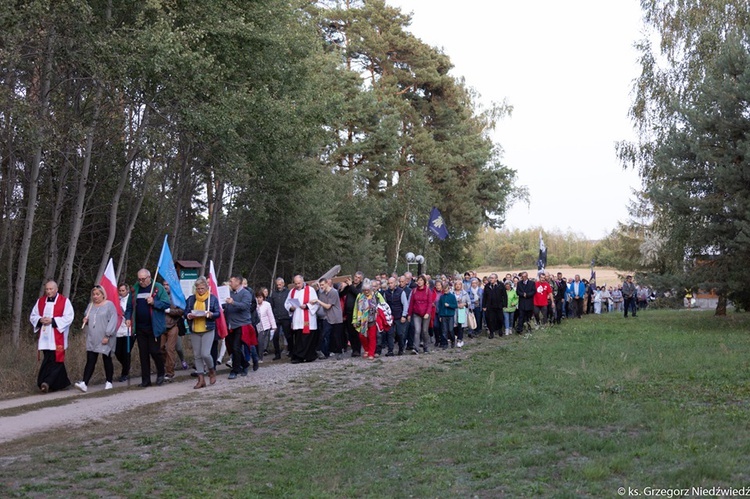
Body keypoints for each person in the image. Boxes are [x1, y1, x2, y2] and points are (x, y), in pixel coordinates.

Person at [125, 269, 170, 387]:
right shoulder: (135, 289)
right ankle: (146, 380)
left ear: (149, 277)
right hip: (140, 327)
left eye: (143, 279)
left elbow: (166, 303)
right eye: (139, 279)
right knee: (143, 354)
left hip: (153, 326)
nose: (141, 282)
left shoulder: (158, 288)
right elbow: (129, 306)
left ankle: (161, 373)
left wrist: (154, 302)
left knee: (155, 351)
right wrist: (128, 317)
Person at [30, 280, 74, 393]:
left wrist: (53, 321)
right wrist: (40, 319)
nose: (48, 291)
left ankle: (45, 382)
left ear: (56, 289)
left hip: (57, 335)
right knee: (49, 358)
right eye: (47, 289)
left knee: (57, 360)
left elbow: (69, 317)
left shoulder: (64, 301)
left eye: (51, 289)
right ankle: (63, 383)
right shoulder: (40, 301)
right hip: (45, 336)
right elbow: (33, 315)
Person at [75, 285, 118, 392]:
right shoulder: (90, 306)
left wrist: (107, 335)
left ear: (103, 295)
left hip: (105, 337)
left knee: (106, 359)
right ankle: (84, 383)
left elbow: (113, 319)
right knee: (90, 360)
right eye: (93, 294)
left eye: (98, 294)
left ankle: (109, 381)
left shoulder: (109, 305)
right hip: (92, 338)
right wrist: (86, 321)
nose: (95, 296)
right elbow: (89, 320)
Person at [185, 276, 220, 388]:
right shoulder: (191, 299)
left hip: (207, 328)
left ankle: (211, 370)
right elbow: (186, 311)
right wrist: (188, 315)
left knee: (205, 353)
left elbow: (218, 313)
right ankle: (201, 379)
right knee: (197, 355)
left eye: (202, 288)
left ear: (206, 288)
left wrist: (210, 314)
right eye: (198, 288)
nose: (200, 291)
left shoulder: (212, 298)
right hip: (195, 328)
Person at [223, 273, 256, 378]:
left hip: (242, 324)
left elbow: (245, 306)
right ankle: (245, 363)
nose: (230, 283)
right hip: (231, 325)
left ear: (238, 282)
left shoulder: (246, 293)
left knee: (237, 347)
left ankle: (235, 370)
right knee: (232, 347)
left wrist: (233, 303)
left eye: (231, 281)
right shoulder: (230, 293)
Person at [285, 274, 320, 363]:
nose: (297, 285)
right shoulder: (292, 291)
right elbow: (287, 303)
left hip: (307, 318)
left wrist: (307, 306)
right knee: (298, 338)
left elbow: (316, 302)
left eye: (299, 283)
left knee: (307, 338)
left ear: (303, 281)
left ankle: (307, 356)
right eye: (296, 283)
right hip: (297, 318)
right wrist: (291, 308)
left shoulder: (310, 290)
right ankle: (298, 355)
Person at [352, 279, 383, 359]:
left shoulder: (376, 295)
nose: (366, 292)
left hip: (373, 320)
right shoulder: (359, 296)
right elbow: (356, 308)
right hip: (362, 320)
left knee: (372, 337)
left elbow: (383, 305)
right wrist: (355, 320)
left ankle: (371, 353)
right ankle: (366, 350)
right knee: (362, 336)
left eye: (368, 290)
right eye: (364, 290)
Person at [161, 281, 185, 382]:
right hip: (161, 326)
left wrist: (170, 311)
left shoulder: (177, 297)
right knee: (160, 348)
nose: (165, 286)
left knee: (170, 348)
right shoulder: (159, 295)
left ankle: (170, 372)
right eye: (164, 285)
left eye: (167, 285)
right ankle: (165, 367)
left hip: (173, 325)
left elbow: (182, 310)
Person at [316, 278, 345, 359]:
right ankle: (322, 351)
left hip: (336, 317)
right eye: (320, 285)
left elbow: (328, 306)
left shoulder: (334, 292)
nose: (321, 287)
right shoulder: (322, 293)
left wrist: (317, 301)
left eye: (322, 285)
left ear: (327, 284)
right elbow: (320, 304)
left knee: (337, 336)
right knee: (324, 334)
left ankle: (339, 352)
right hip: (327, 317)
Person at [406, 275, 434, 354]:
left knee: (425, 331)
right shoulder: (414, 291)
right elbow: (411, 303)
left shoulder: (428, 291)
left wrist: (428, 313)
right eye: (418, 280)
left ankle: (426, 347)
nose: (419, 282)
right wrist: (409, 314)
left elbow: (429, 303)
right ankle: (416, 348)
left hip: (426, 314)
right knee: (417, 330)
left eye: (421, 280)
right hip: (416, 313)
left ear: (424, 281)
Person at [340, 271, 364, 357]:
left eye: (358, 277)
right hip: (348, 312)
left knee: (356, 332)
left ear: (361, 279)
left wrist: (350, 285)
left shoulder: (361, 286)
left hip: (357, 312)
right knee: (350, 332)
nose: (356, 278)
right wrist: (343, 287)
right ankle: (354, 349)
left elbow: (359, 294)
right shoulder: (350, 285)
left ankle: (357, 349)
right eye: (355, 276)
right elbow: (341, 294)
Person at [384, 276, 409, 356]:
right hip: (390, 317)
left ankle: (401, 349)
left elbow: (405, 304)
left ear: (395, 283)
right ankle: (390, 350)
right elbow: (384, 305)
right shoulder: (386, 293)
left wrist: (404, 315)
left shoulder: (401, 292)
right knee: (390, 333)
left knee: (400, 334)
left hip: (399, 316)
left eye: (391, 283)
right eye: (389, 283)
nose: (390, 285)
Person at [114, 283, 133, 382]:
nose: (121, 292)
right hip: (118, 329)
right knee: (117, 351)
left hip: (129, 329)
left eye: (123, 290)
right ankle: (127, 366)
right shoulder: (117, 300)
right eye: (120, 291)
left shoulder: (131, 300)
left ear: (127, 290)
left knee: (126, 352)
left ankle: (124, 373)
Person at [268, 277, 290, 360]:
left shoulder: (288, 292)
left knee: (288, 335)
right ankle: (277, 354)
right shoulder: (273, 293)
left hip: (286, 316)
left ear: (283, 284)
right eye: (277, 285)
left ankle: (291, 351)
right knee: (275, 336)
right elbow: (271, 305)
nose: (279, 286)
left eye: (280, 284)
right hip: (276, 318)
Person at [255, 289, 276, 363]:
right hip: (256, 326)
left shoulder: (267, 304)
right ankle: (256, 356)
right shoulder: (254, 305)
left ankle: (260, 358)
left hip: (264, 326)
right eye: (257, 297)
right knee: (256, 342)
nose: (258, 299)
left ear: (263, 298)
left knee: (261, 341)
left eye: (260, 297)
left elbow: (270, 315)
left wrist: (273, 326)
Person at [482, 273, 506, 339]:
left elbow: (504, 295)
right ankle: (491, 332)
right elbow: (484, 297)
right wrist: (484, 306)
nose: (490, 279)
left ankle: (500, 329)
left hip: (499, 305)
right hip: (490, 306)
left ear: (496, 279)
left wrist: (504, 304)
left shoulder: (501, 285)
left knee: (500, 319)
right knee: (490, 320)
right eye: (490, 278)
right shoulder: (487, 286)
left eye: (492, 278)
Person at [436, 284, 457, 349]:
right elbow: (440, 307)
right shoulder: (442, 297)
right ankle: (445, 343)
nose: (445, 290)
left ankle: (453, 340)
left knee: (450, 329)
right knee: (444, 330)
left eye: (447, 289)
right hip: (443, 315)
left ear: (449, 289)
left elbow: (455, 305)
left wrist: (449, 305)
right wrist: (440, 316)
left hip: (450, 315)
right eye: (444, 289)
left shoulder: (452, 296)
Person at [452, 280, 470, 348]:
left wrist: (464, 304)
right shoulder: (452, 293)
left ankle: (460, 339)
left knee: (460, 325)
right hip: (454, 311)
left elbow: (469, 302)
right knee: (454, 325)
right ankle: (455, 337)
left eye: (459, 284)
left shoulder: (465, 293)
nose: (458, 286)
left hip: (462, 311)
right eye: (456, 284)